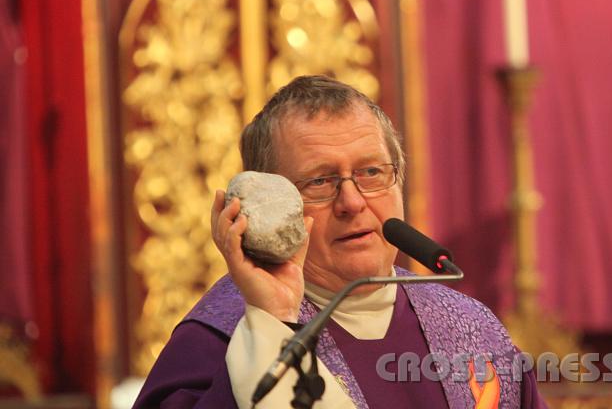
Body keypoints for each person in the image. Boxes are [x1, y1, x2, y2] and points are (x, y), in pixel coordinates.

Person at [133, 75, 547, 408]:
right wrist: (272, 324)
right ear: (273, 204)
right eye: (320, 181)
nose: (352, 202)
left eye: (371, 173)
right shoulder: (217, 337)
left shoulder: (471, 328)